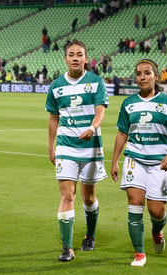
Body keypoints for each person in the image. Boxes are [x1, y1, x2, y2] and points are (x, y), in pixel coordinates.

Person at [111, 58, 167, 267]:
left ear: (155, 76)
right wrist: (115, 161)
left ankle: (157, 230)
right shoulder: (128, 103)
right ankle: (139, 253)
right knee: (134, 204)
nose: (142, 77)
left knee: (156, 211)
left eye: (147, 73)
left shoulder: (166, 102)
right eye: (139, 73)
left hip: (160, 162)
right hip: (134, 159)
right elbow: (122, 133)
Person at [45, 40, 109, 263]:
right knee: (67, 195)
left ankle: (90, 235)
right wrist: (50, 146)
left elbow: (100, 110)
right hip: (66, 145)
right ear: (65, 58)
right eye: (71, 54)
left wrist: (92, 128)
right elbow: (53, 117)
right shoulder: (56, 86)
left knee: (88, 197)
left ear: (85, 58)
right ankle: (67, 248)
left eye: (79, 54)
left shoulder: (96, 82)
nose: (75, 58)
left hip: (90, 146)